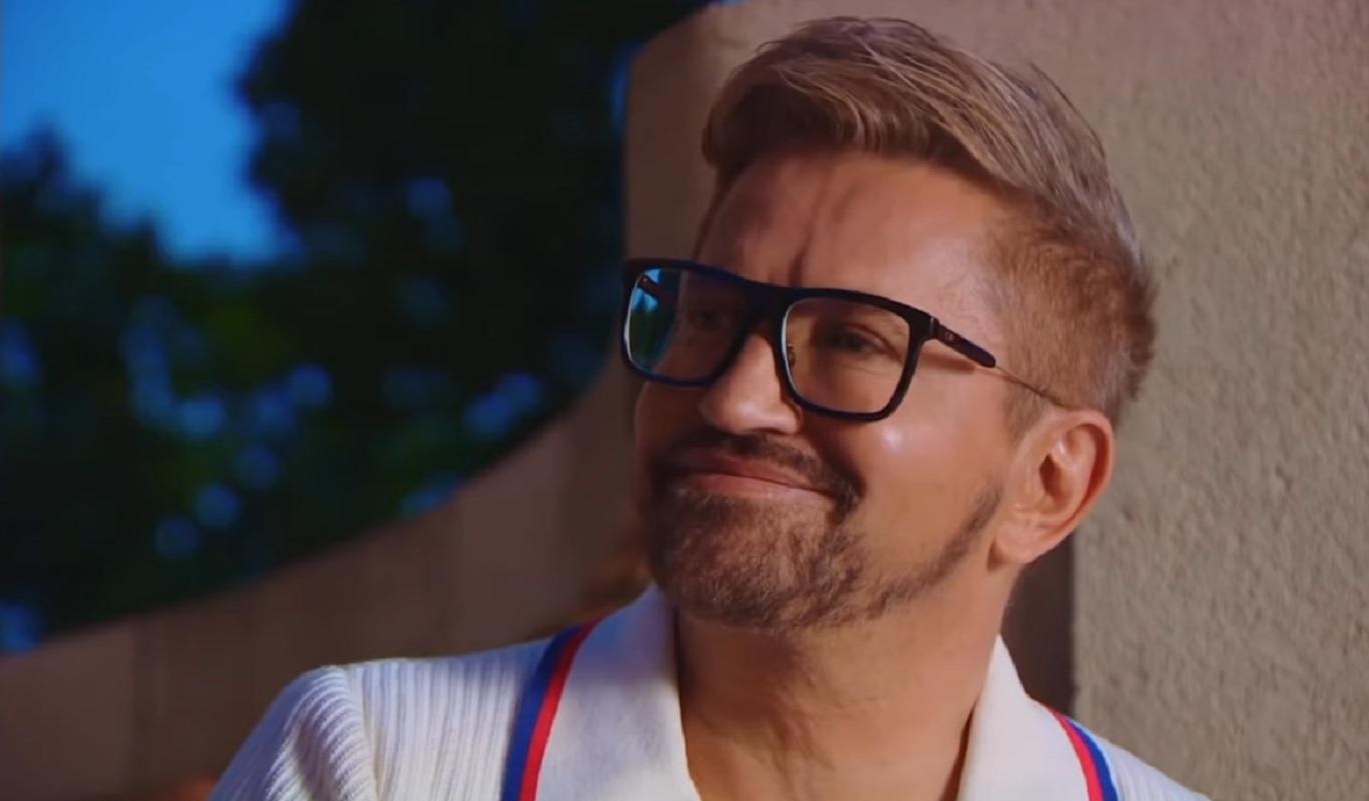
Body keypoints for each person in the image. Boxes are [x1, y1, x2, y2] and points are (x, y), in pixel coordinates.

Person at [211, 16, 1211, 801]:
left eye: (854, 341)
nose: (734, 396)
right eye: (708, 315)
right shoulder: (373, 764)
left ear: (1048, 483)